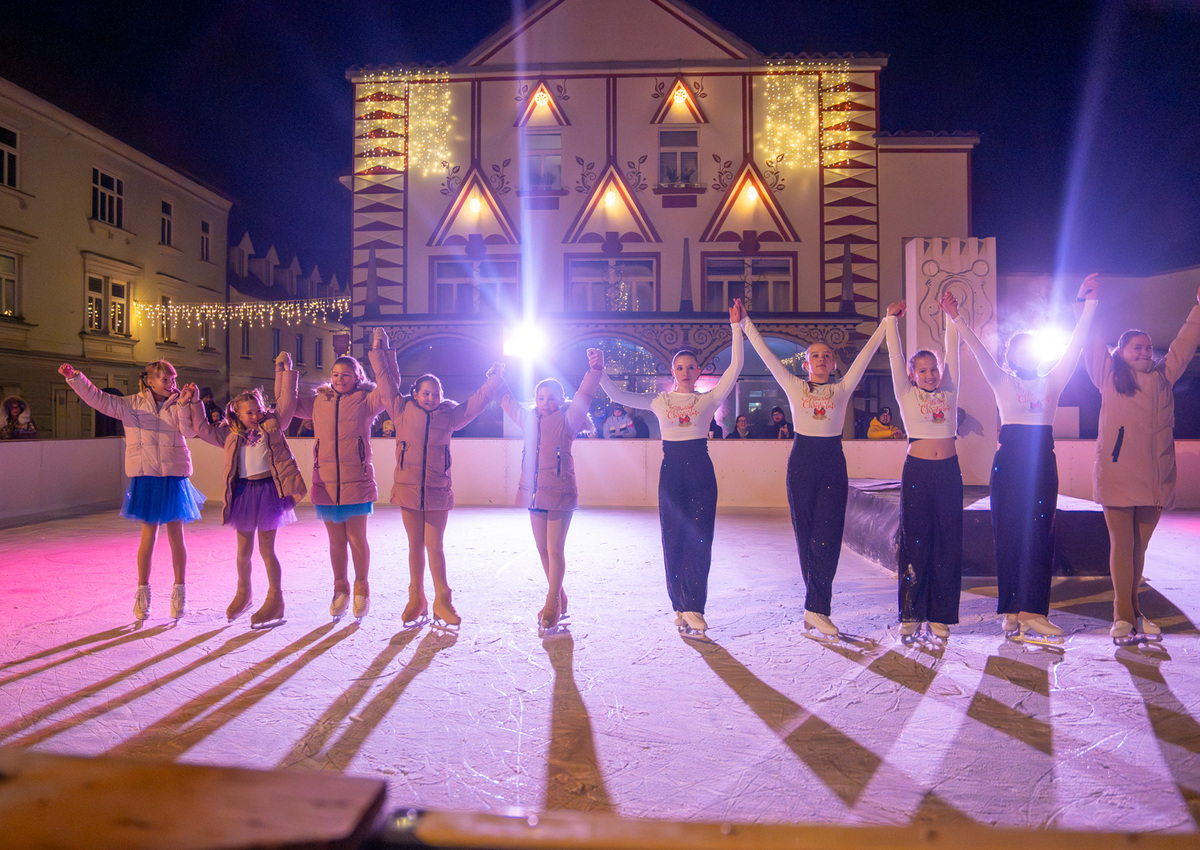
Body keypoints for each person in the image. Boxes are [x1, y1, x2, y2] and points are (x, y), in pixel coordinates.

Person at [951, 275, 1099, 644]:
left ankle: (1033, 612)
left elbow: (1076, 345)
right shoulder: (1001, 380)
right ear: (1011, 356)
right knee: (1008, 535)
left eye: (1033, 348)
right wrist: (956, 318)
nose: (1028, 353)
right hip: (1009, 465)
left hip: (1042, 465)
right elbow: (977, 350)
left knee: (1039, 536)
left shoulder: (1053, 380)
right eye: (1021, 349)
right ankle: (1010, 610)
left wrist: (1088, 305)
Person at [740, 300, 899, 637]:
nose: (822, 359)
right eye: (816, 355)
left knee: (827, 536)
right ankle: (815, 605)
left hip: (831, 463)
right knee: (806, 536)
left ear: (833, 363)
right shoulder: (795, 386)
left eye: (827, 355)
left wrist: (887, 322)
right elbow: (767, 355)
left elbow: (867, 354)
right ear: (806, 363)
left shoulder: (842, 388)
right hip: (801, 463)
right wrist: (744, 324)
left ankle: (817, 608)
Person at [596, 301, 744, 637]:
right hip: (672, 474)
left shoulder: (707, 400)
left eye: (691, 367)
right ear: (673, 371)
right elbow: (618, 394)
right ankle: (679, 603)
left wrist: (736, 328)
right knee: (673, 538)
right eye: (680, 367)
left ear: (698, 370)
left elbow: (736, 367)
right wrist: (599, 370)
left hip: (701, 473)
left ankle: (694, 606)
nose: (686, 371)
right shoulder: (659, 402)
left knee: (699, 539)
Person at [1085, 285, 1200, 643]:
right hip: (1118, 473)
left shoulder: (1163, 377)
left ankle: (1133, 612)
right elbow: (1091, 340)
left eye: (1149, 347)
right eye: (1137, 346)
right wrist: (1087, 302)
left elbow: (1183, 345)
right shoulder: (1108, 375)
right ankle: (1122, 615)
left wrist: (1198, 307)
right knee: (1122, 545)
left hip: (1155, 478)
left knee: (1139, 549)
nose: (1145, 352)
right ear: (1120, 351)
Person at [58, 359, 204, 621]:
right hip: (146, 477)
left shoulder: (178, 404)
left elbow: (190, 432)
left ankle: (179, 590)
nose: (171, 384)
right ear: (150, 381)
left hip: (173, 476)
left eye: (173, 379)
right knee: (148, 536)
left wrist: (186, 404)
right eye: (165, 379)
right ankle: (143, 591)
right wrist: (75, 378)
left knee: (176, 536)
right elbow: (98, 399)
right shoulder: (130, 404)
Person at [276, 329, 398, 622]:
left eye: (346, 375)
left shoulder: (367, 400)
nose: (340, 379)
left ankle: (361, 587)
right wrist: (284, 373)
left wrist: (381, 351)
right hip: (326, 481)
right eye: (335, 374)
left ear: (357, 377)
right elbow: (287, 405)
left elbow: (390, 387)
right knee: (335, 542)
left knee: (356, 538)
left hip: (357, 480)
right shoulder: (319, 401)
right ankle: (340, 588)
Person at [389, 364, 505, 628]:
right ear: (415, 394)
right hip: (408, 488)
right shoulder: (402, 412)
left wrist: (494, 379)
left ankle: (442, 599)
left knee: (435, 546)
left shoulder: (450, 416)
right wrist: (379, 347)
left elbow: (475, 404)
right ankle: (416, 597)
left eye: (436, 394)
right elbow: (386, 383)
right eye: (426, 393)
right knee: (414, 545)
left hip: (437, 489)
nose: (431, 398)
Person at [185, 382, 306, 629]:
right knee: (243, 552)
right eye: (249, 412)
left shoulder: (272, 426)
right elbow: (202, 428)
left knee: (267, 550)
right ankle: (244, 592)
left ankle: (276, 599)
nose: (255, 415)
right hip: (243, 494)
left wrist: (284, 368)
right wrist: (196, 402)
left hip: (268, 493)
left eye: (258, 410)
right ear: (237, 414)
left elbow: (286, 403)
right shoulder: (229, 434)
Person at [499, 355, 602, 631]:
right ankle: (560, 596)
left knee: (555, 549)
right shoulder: (528, 419)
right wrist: (496, 378)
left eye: (552, 398)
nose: (546, 403)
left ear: (562, 399)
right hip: (534, 493)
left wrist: (595, 370)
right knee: (542, 549)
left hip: (559, 491)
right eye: (541, 398)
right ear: (535, 399)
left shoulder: (568, 420)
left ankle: (551, 601)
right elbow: (506, 400)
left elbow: (585, 394)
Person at [884, 294, 962, 639]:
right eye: (923, 371)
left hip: (948, 473)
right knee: (914, 540)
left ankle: (941, 613)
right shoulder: (906, 394)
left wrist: (951, 318)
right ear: (912, 375)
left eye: (934, 369)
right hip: (917, 472)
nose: (930, 375)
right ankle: (911, 611)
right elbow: (895, 356)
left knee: (947, 541)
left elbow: (953, 351)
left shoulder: (950, 390)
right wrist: (891, 322)